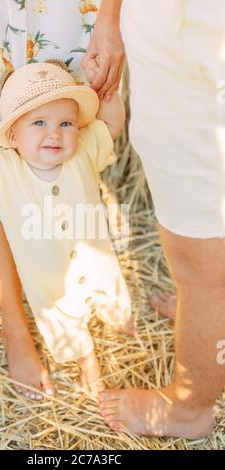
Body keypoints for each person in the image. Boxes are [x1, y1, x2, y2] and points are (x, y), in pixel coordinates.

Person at [0, 0, 125, 396]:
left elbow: (106, 121)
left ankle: (86, 311)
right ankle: (13, 321)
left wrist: (111, 15)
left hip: (62, 9)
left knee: (69, 121)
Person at [100, 0, 225, 439]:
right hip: (182, 42)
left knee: (203, 262)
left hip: (203, 59)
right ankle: (209, 314)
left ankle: (189, 409)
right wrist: (110, 16)